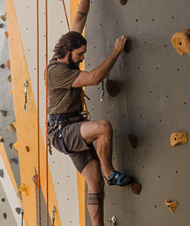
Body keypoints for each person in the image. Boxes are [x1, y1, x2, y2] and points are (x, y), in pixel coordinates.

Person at [47, 1, 135, 226]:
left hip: (72, 127)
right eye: (80, 54)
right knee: (104, 128)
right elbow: (95, 78)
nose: (82, 58)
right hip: (62, 131)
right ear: (68, 51)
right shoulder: (57, 72)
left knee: (94, 182)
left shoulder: (69, 48)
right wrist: (116, 52)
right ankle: (110, 172)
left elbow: (80, 16)